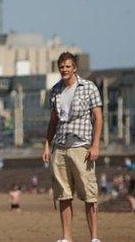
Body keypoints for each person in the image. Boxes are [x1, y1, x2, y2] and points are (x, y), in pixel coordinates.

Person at [42, 52, 103, 242]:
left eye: (68, 66)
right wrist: (46, 145)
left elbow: (98, 118)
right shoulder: (55, 90)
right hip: (60, 147)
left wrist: (95, 145)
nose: (64, 70)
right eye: (61, 67)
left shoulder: (88, 87)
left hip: (81, 146)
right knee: (63, 195)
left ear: (74, 68)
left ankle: (93, 237)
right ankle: (67, 237)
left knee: (89, 194)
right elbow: (53, 121)